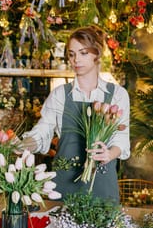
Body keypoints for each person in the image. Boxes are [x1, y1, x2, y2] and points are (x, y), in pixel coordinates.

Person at [18, 25, 130, 203]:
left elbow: (121, 139)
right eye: (71, 54)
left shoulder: (117, 94)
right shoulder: (60, 94)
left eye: (83, 53)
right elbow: (43, 131)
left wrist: (109, 154)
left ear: (97, 54)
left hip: (101, 185)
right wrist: (23, 145)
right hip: (64, 186)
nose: (76, 59)